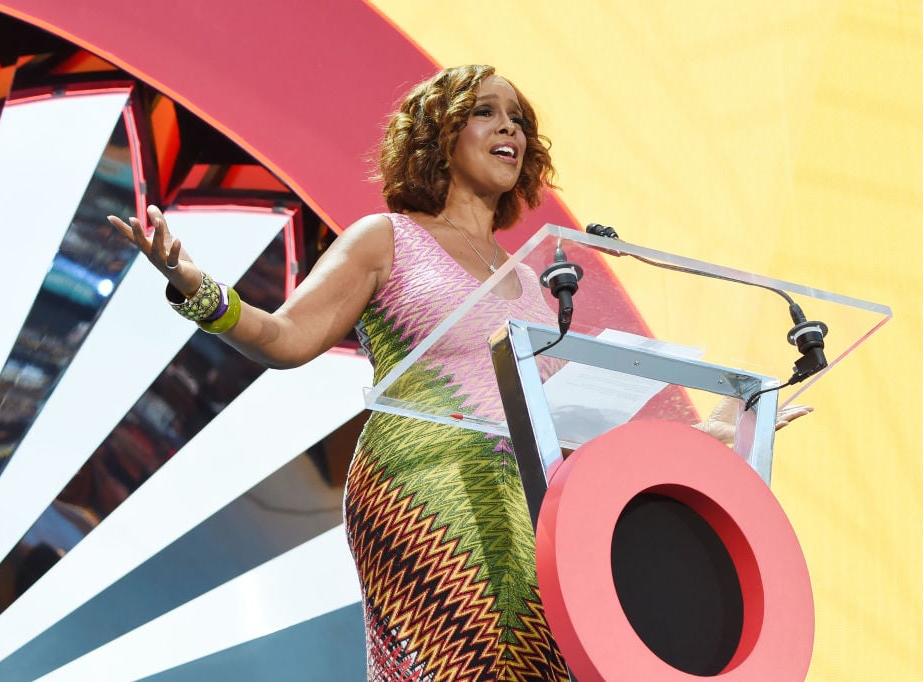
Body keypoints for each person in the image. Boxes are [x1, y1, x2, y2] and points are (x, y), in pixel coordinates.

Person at [110, 64, 809, 681]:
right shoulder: (387, 239)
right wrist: (199, 290)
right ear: (439, 132)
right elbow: (288, 339)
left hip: (538, 505)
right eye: (486, 111)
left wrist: (713, 436)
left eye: (520, 121)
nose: (510, 128)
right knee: (455, 656)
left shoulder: (540, 283)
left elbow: (569, 426)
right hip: (425, 488)